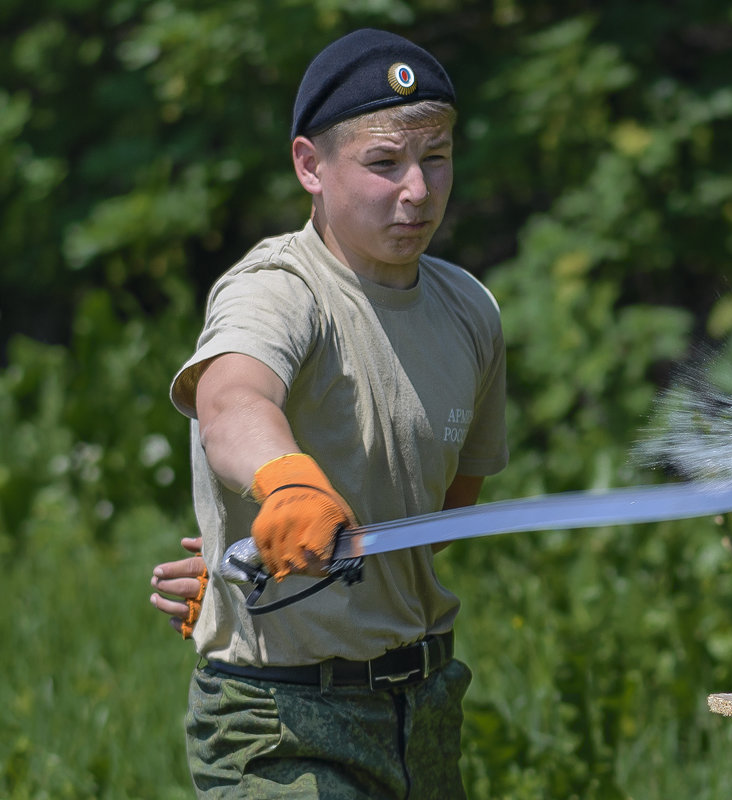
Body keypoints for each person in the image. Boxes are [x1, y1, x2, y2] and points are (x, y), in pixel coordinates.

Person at [152, 28, 508, 798]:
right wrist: (287, 486)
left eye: (436, 156)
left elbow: (438, 516)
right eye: (384, 163)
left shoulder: (471, 310)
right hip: (280, 718)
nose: (417, 190)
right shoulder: (277, 288)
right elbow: (230, 399)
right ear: (310, 165)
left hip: (425, 708)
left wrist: (247, 564)